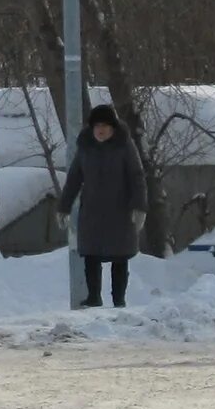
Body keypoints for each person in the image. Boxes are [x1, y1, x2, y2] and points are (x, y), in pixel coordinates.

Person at [59, 103, 148, 307]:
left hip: (120, 211)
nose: (100, 130)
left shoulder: (124, 146)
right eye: (97, 126)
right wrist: (63, 207)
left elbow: (137, 177)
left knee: (119, 257)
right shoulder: (85, 147)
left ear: (113, 127)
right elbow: (74, 178)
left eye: (105, 126)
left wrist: (139, 206)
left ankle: (119, 300)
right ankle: (94, 297)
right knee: (91, 255)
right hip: (92, 212)